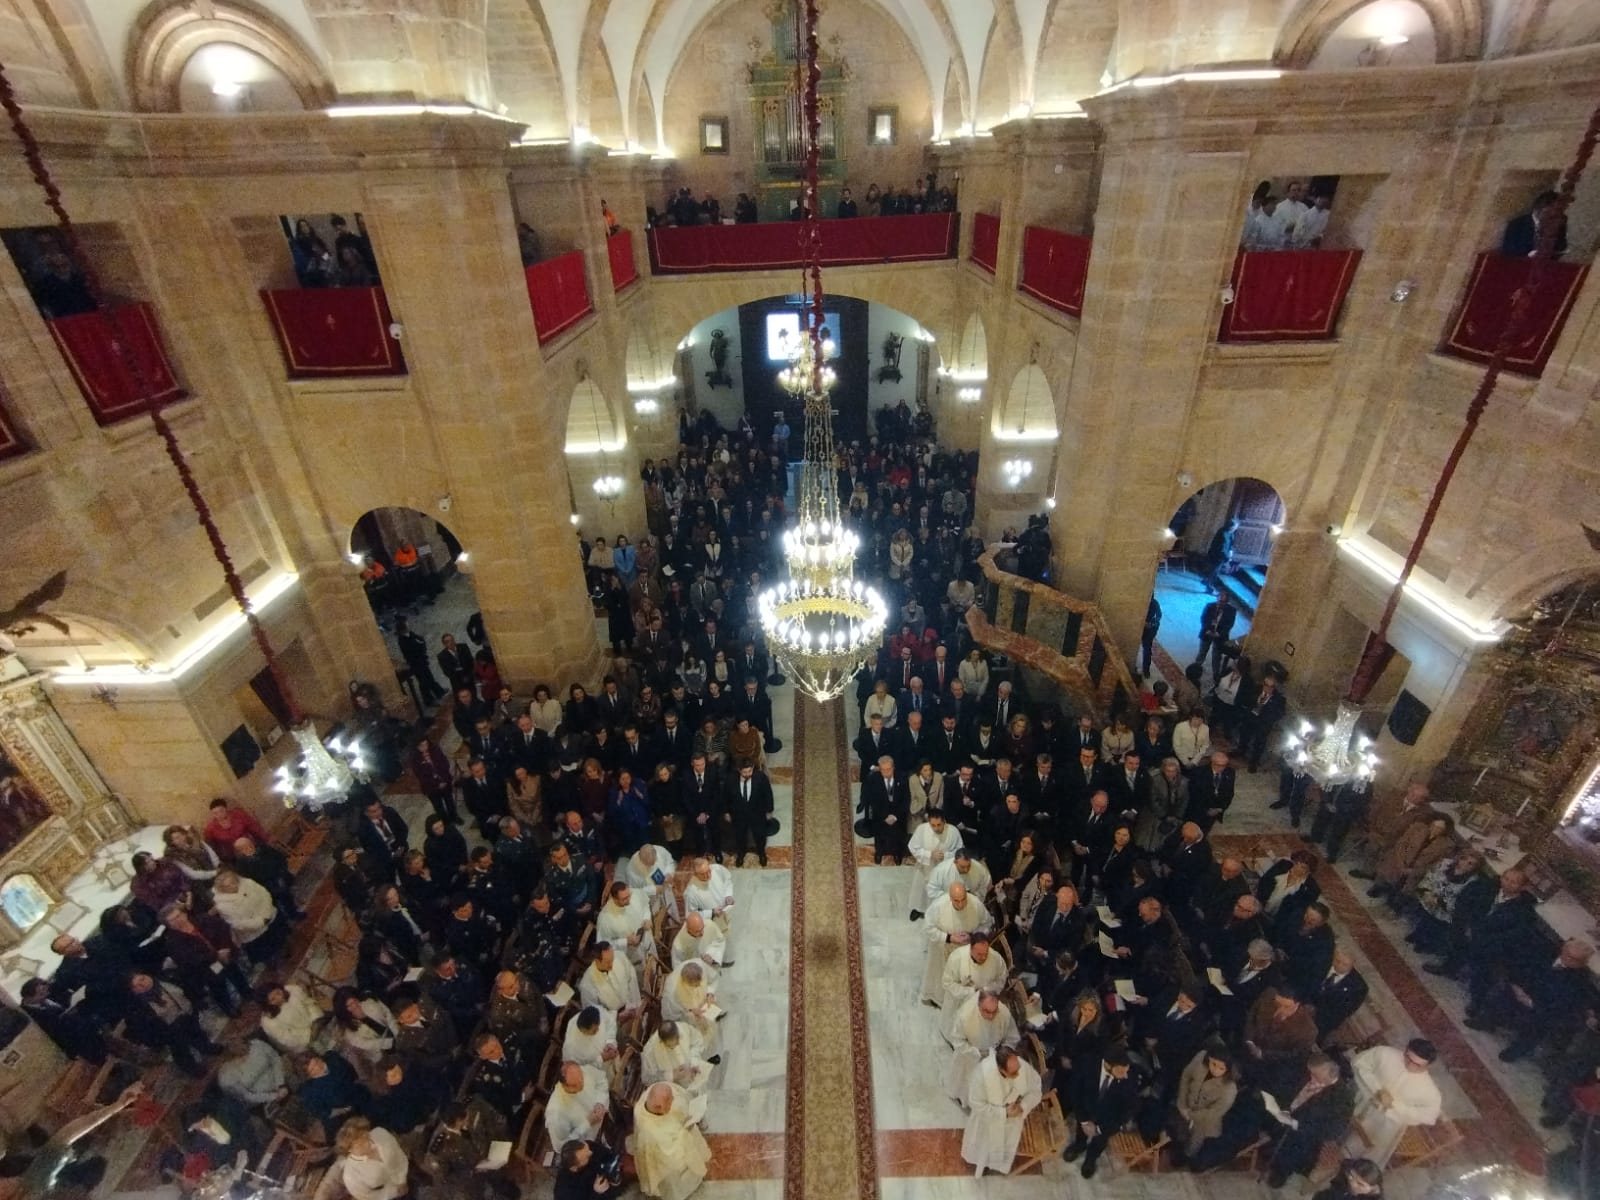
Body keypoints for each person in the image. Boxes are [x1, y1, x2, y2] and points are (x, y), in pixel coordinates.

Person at [11, 1081, 143, 1198]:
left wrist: (119, 1105)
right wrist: (118, 1105)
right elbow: (77, 1128)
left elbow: (80, 1127)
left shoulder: (36, 1183)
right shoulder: (37, 1182)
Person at [1347, 1039, 1441, 1165]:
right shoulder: (1385, 1053)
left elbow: (1427, 1116)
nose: (1409, 1065)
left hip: (1386, 1123)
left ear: (1427, 1065)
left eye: (1417, 1065)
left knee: (1357, 1152)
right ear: (1405, 1050)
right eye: (1408, 1058)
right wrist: (1378, 1089)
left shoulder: (1430, 1092)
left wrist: (1394, 1105)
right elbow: (1359, 1063)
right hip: (1361, 1100)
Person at [961, 1045, 1043, 1177]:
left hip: (1012, 1120)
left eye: (1018, 1070)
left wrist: (1023, 1106)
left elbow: (1035, 1089)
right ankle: (982, 1163)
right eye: (1013, 1073)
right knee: (983, 1148)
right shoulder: (981, 1075)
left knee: (1005, 1145)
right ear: (1000, 1069)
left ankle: (997, 1164)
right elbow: (977, 1105)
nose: (1018, 1075)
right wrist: (1004, 1113)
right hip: (988, 1121)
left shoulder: (1020, 1066)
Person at [1062, 1046, 1139, 1178]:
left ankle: (1091, 1159)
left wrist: (1100, 1129)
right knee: (1082, 1131)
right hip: (1086, 1110)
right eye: (1121, 1071)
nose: (1125, 1075)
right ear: (1108, 1065)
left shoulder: (1129, 1077)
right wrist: (1084, 1121)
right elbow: (1075, 1092)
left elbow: (1128, 1108)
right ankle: (1079, 1145)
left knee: (1100, 1140)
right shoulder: (1087, 1064)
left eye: (1126, 1070)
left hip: (1108, 1118)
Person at [631, 1082, 711, 1200]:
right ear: (659, 1108)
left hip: (669, 1141)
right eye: (670, 1100)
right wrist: (686, 1131)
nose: (673, 1100)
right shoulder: (651, 1133)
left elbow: (665, 1089)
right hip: (666, 1167)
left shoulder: (648, 1099)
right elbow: (673, 1157)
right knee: (674, 1185)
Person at [921, 882, 991, 1004]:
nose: (961, 904)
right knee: (940, 975)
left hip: (966, 948)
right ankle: (939, 999)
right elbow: (927, 927)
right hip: (942, 946)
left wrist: (972, 936)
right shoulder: (939, 905)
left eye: (963, 899)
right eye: (956, 901)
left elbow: (987, 924)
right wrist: (949, 938)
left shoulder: (975, 904)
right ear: (950, 898)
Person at [945, 989, 1018, 1101]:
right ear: (978, 1006)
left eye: (994, 1011)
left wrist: (1003, 1051)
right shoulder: (965, 1015)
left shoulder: (1004, 1013)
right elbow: (958, 1041)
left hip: (992, 1056)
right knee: (964, 1083)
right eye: (986, 1011)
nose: (991, 1016)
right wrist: (976, 1053)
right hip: (970, 1057)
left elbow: (1012, 1036)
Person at [333, 1117, 409, 1200]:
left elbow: (398, 1154)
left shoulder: (381, 1133)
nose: (368, 1143)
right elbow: (368, 1197)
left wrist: (402, 1179)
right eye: (360, 1144)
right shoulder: (350, 1175)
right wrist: (395, 1192)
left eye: (367, 1137)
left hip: (406, 1171)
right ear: (349, 1149)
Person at [1501, 189, 1567, 258]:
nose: (1559, 214)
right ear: (1543, 207)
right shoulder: (1517, 225)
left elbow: (1561, 248)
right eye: (1557, 209)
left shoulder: (1558, 224)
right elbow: (1508, 252)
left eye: (1561, 210)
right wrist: (1530, 255)